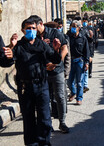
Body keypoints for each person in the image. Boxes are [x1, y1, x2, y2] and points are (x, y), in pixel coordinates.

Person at [4, 17, 62, 145]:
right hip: (25, 87)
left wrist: (56, 48)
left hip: (42, 86)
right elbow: (6, 62)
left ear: (37, 30)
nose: (31, 30)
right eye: (28, 29)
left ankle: (45, 142)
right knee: (28, 118)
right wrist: (10, 49)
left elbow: (56, 59)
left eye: (33, 28)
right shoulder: (18, 46)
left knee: (45, 118)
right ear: (23, 30)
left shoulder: (42, 45)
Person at [33, 15, 70, 134]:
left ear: (41, 24)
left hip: (56, 71)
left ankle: (62, 122)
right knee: (45, 99)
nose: (33, 30)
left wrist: (56, 62)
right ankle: (47, 124)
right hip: (42, 72)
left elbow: (65, 49)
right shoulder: (34, 37)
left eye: (35, 27)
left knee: (60, 97)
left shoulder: (55, 33)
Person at [67, 20, 90, 105]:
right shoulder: (68, 37)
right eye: (71, 26)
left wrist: (87, 63)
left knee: (79, 82)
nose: (72, 28)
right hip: (70, 61)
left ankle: (79, 98)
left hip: (80, 61)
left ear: (79, 28)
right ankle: (73, 92)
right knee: (69, 81)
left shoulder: (83, 38)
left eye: (74, 26)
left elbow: (86, 51)